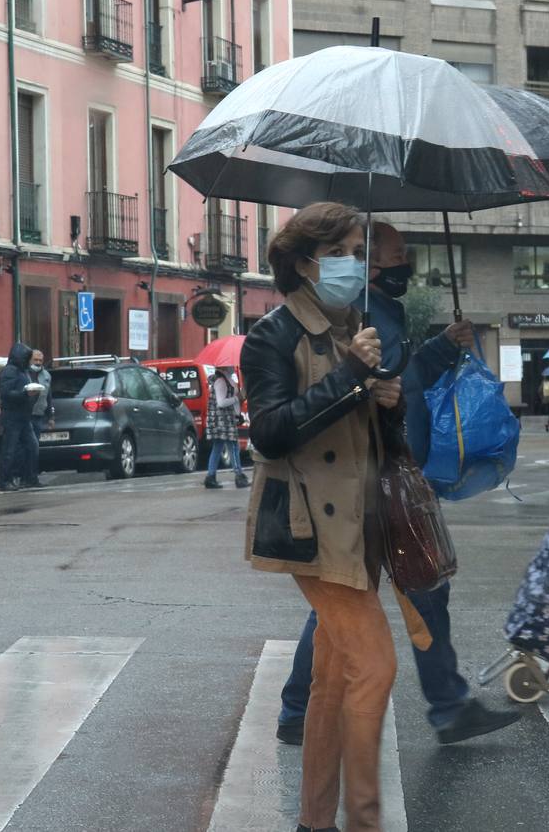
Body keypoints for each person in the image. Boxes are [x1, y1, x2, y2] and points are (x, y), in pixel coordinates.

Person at [277, 222, 518, 748]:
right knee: (409, 588)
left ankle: (300, 709)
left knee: (359, 594)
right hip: (374, 476)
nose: (406, 261)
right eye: (396, 253)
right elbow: (351, 390)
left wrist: (438, 347)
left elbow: (404, 379)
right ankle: (445, 707)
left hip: (386, 470)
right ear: (373, 263)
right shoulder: (352, 314)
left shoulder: (382, 309)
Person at [242, 202, 403, 832]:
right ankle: (363, 821)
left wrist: (386, 398)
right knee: (376, 667)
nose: (358, 264)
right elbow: (273, 434)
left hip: (362, 525)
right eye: (347, 252)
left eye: (362, 252)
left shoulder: (352, 327)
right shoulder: (272, 336)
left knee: (335, 681)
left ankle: (315, 822)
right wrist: (352, 375)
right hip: (311, 528)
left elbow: (370, 432)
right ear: (308, 261)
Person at [0, 342, 40, 492]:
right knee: (9, 450)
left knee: (32, 447)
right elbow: (6, 394)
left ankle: (29, 478)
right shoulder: (9, 371)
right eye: (27, 357)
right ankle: (5, 480)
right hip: (12, 416)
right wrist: (25, 394)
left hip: (24, 416)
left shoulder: (23, 371)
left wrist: (33, 394)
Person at [203, 366, 249, 489]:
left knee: (218, 447)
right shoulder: (221, 381)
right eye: (229, 366)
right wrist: (236, 398)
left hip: (223, 419)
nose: (232, 368)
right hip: (222, 420)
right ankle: (239, 476)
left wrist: (238, 413)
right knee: (233, 446)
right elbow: (221, 402)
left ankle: (211, 477)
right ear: (224, 367)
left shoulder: (226, 379)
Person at [26, 350, 54, 487]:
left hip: (38, 415)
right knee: (27, 447)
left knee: (35, 447)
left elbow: (49, 397)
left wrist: (50, 416)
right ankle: (23, 477)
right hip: (25, 415)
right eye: (35, 360)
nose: (37, 363)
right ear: (29, 360)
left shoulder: (46, 375)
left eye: (40, 361)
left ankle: (33, 478)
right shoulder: (24, 374)